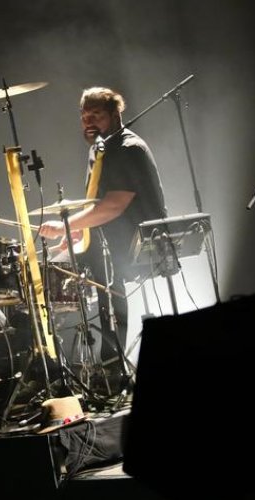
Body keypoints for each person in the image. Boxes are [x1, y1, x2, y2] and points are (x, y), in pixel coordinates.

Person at [38, 87, 166, 368]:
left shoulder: (125, 149)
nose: (88, 123)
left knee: (107, 287)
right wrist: (75, 233)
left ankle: (112, 366)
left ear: (115, 113)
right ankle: (73, 364)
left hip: (133, 242)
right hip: (108, 237)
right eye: (84, 117)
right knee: (51, 272)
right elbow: (98, 201)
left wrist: (63, 226)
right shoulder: (102, 148)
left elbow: (113, 205)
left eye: (96, 115)